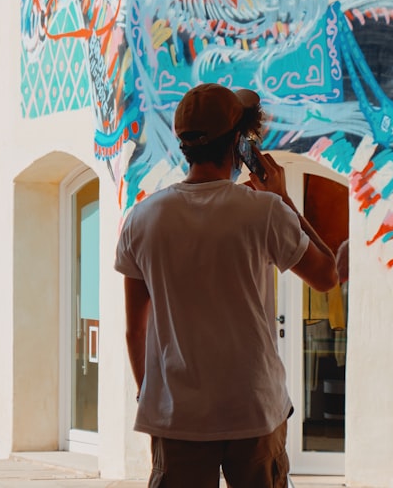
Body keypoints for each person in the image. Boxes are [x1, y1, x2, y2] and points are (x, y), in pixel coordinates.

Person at [115, 83, 338, 487]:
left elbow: (135, 329)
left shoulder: (142, 219)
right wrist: (284, 198)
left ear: (185, 146)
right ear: (238, 143)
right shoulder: (265, 211)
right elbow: (327, 275)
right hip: (254, 410)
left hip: (177, 416)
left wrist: (152, 395)